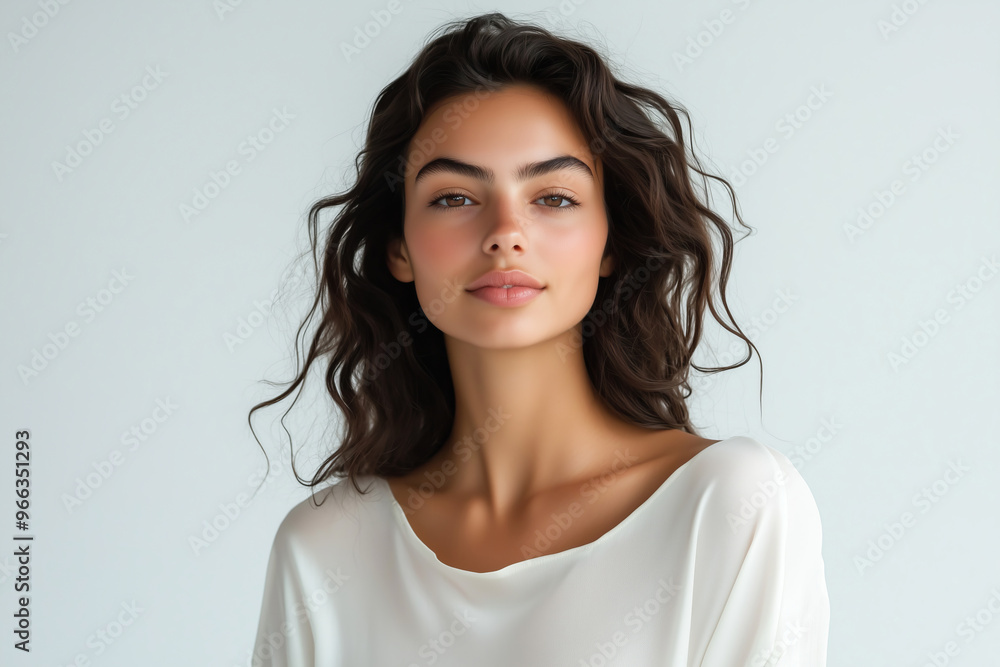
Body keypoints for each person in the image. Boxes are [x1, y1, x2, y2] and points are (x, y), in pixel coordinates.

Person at [249, 11, 829, 666]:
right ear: (399, 249)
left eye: (553, 197)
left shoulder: (731, 504)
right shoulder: (325, 549)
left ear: (611, 242)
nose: (504, 232)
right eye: (454, 198)